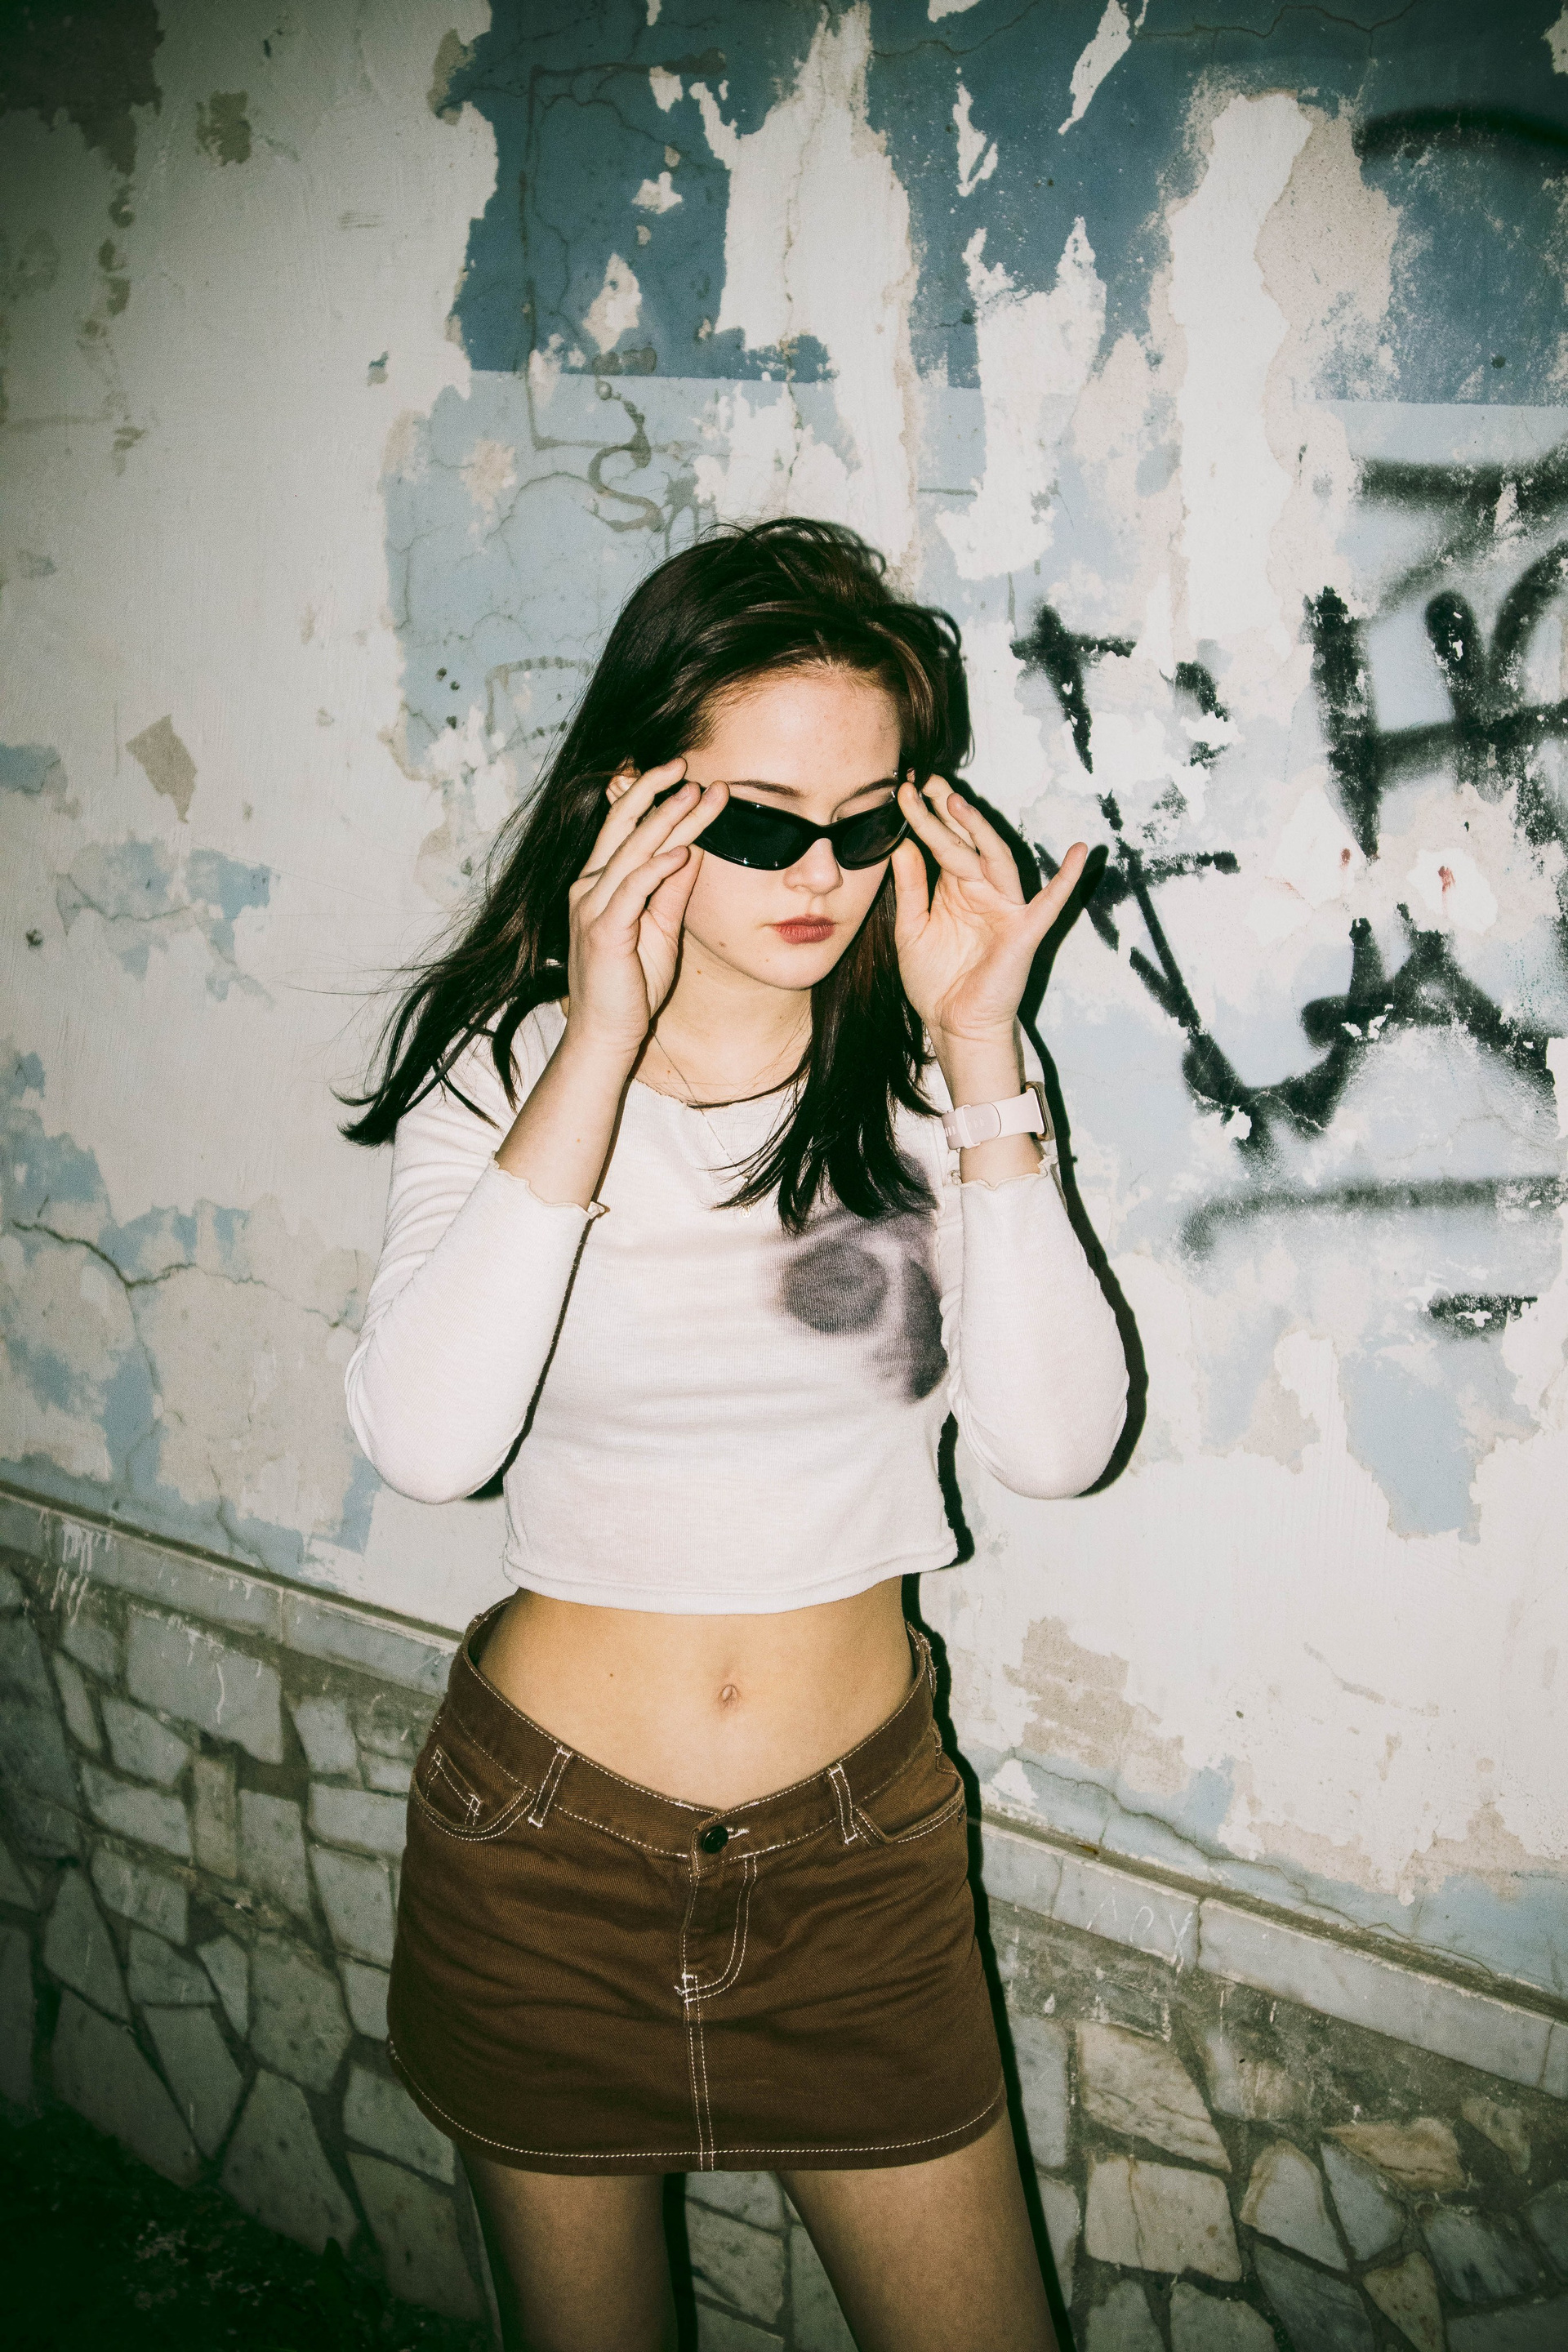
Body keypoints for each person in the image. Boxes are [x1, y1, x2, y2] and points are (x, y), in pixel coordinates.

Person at [341, 519, 1127, 2352]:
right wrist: (595, 1045)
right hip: (543, 1848)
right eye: (763, 825)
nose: (824, 874)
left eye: (866, 823)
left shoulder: (935, 1086)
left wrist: (986, 1055)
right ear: (637, 804)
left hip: (858, 1855)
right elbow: (430, 1444)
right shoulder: (506, 1075)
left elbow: (1059, 1445)